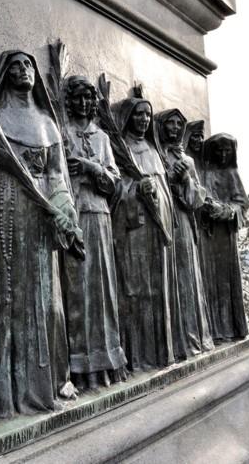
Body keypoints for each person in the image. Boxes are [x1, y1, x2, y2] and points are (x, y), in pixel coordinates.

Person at [0, 50, 78, 419]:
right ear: (5, 75)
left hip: (42, 213)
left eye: (28, 65)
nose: (23, 70)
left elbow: (58, 174)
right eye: (14, 65)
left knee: (45, 300)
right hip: (8, 207)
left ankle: (43, 386)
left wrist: (64, 212)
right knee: (7, 295)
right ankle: (3, 393)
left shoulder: (47, 122)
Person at [59, 76, 127, 390]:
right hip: (75, 216)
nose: (84, 103)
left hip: (100, 216)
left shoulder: (100, 137)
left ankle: (108, 361)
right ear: (69, 101)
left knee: (103, 292)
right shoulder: (62, 132)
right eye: (79, 98)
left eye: (89, 98)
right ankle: (79, 365)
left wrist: (91, 167)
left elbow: (115, 180)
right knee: (78, 292)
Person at [110, 97, 175, 371]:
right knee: (135, 292)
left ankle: (160, 353)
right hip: (134, 230)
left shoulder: (151, 149)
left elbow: (164, 191)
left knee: (158, 292)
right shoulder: (119, 147)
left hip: (157, 231)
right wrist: (136, 191)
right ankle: (137, 357)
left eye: (148, 116)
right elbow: (115, 187)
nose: (144, 120)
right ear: (128, 117)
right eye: (138, 115)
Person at [155, 109, 213, 359]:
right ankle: (175, 341)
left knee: (187, 277)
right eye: (171, 123)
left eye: (180, 123)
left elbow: (198, 196)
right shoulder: (155, 155)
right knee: (170, 279)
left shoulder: (188, 160)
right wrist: (168, 178)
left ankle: (193, 337)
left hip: (184, 222)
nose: (175, 127)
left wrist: (186, 179)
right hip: (165, 220)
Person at [201, 133, 249, 341]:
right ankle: (213, 329)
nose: (222, 155)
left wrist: (227, 210)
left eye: (227, 151)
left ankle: (231, 327)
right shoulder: (203, 172)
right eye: (218, 150)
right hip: (206, 235)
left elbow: (242, 204)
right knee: (209, 281)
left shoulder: (231, 173)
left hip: (225, 237)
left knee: (227, 282)